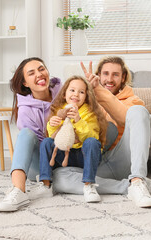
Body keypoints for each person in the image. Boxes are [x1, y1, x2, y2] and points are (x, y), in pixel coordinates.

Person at [52, 56, 151, 208]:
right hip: (98, 162)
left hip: (122, 159)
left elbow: (122, 119)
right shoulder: (87, 103)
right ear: (99, 75)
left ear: (123, 78)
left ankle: (137, 179)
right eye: (105, 74)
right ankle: (132, 186)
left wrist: (99, 90)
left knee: (138, 111)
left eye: (115, 74)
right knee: (58, 177)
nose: (109, 79)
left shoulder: (133, 100)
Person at [0, 57, 62, 212]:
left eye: (41, 69)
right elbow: (42, 147)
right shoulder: (26, 110)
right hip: (41, 163)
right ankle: (18, 190)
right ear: (25, 83)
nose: (39, 74)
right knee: (26, 134)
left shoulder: (64, 92)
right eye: (31, 73)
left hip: (68, 155)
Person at [36, 75, 108, 203]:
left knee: (92, 141)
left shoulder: (90, 113)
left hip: (82, 156)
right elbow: (54, 137)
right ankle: (46, 184)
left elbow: (92, 138)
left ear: (86, 97)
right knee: (46, 142)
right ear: (64, 94)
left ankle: (89, 185)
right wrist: (51, 125)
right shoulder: (59, 110)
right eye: (72, 90)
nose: (76, 94)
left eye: (81, 92)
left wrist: (78, 120)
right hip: (64, 155)